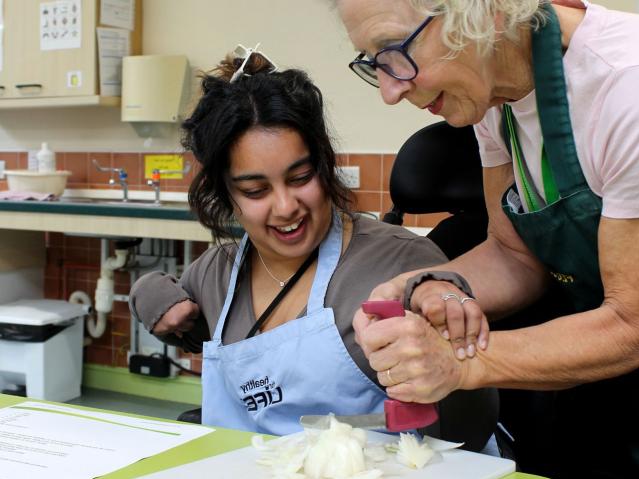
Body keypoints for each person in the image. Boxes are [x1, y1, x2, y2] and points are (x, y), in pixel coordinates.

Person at [128, 45, 498, 451]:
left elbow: (470, 421)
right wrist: (147, 292)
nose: (286, 206)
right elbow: (179, 320)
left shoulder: (401, 263)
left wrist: (448, 343)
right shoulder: (217, 274)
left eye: (301, 177)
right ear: (225, 194)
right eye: (255, 190)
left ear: (324, 165)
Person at [334, 0, 639, 477]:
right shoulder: (492, 98)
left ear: (486, 13)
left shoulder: (625, 89)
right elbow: (514, 254)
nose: (390, 92)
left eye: (394, 51)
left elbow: (631, 323)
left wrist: (458, 365)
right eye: (375, 64)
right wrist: (423, 285)